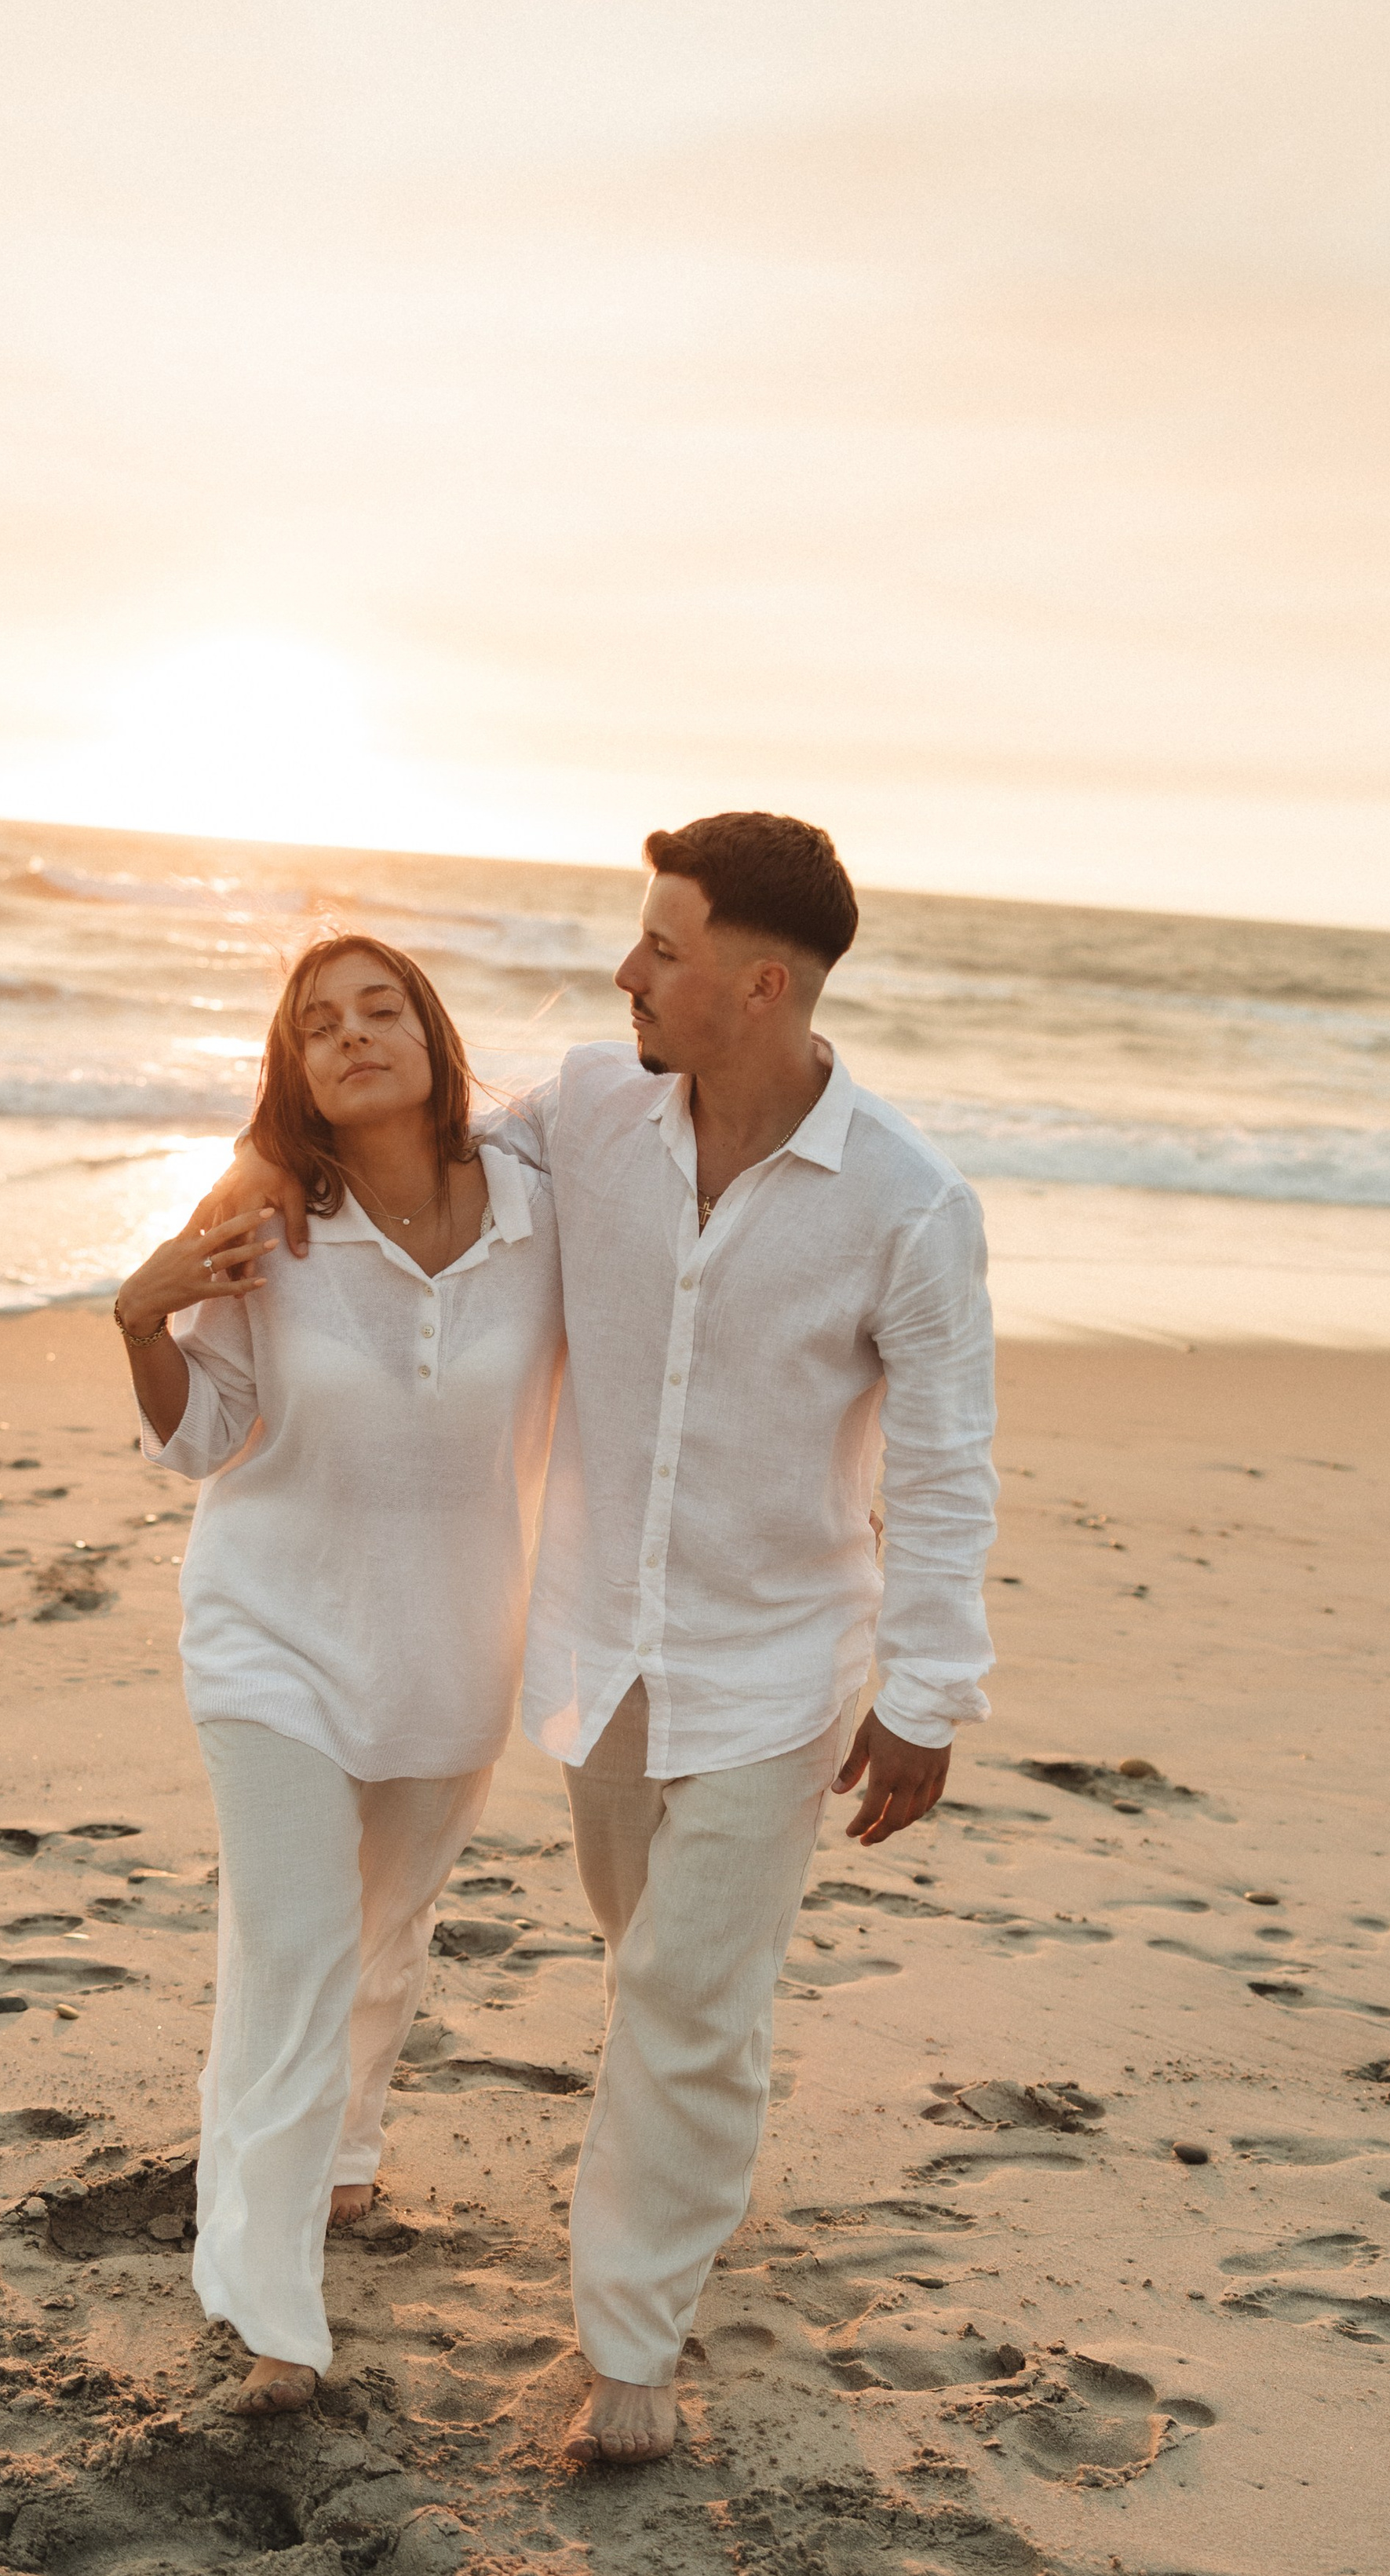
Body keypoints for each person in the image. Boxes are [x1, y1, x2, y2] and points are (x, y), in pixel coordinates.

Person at [210, 813, 997, 2465]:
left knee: (688, 1999)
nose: (623, 971)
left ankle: (628, 2352)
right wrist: (248, 1183)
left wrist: (926, 1694)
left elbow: (942, 1463)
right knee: (649, 1955)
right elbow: (403, 1155)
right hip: (595, 1654)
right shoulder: (585, 1117)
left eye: (661, 949)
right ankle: (684, 2174)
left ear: (757, 984)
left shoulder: (906, 1208)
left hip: (777, 1664)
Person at [112, 934, 562, 2417]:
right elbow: (200, 1440)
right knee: (293, 1956)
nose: (354, 1036)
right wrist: (143, 1319)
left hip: (455, 1639)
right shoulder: (268, 1223)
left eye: (383, 1010)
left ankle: (348, 2149)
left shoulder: (543, 1217)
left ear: (433, 1038)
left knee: (386, 1936)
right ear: (292, 1069)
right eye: (319, 1025)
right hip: (270, 1632)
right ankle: (270, 2313)